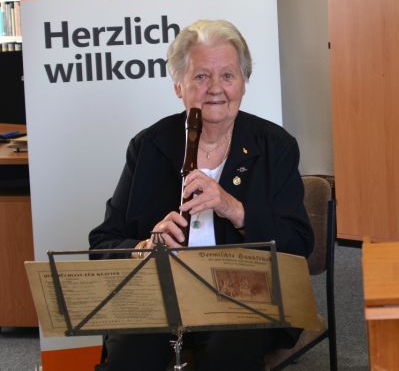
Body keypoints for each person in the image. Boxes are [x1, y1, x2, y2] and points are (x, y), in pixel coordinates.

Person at [89, 19, 314, 371]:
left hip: (245, 297)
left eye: (228, 75)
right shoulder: (149, 145)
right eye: (201, 76)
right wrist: (144, 249)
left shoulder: (275, 146)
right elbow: (102, 244)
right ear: (179, 86)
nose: (216, 89)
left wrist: (234, 208)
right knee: (128, 354)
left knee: (229, 351)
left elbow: (299, 244)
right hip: (162, 295)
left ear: (243, 83)